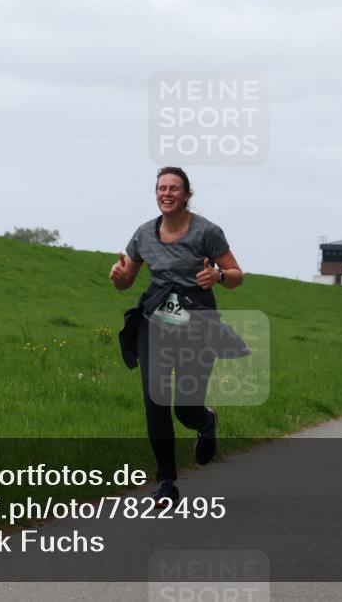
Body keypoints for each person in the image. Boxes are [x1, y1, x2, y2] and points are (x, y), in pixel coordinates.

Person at [111, 167, 244, 506]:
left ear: (186, 194)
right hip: (155, 319)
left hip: (197, 320)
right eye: (161, 188)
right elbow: (127, 279)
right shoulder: (143, 234)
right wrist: (119, 277)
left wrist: (217, 275)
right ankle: (166, 482)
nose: (166, 193)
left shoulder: (207, 232)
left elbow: (236, 275)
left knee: (185, 408)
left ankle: (205, 420)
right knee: (154, 397)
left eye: (174, 188)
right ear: (156, 193)